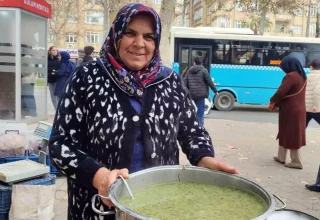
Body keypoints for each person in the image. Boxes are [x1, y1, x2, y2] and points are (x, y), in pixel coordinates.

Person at [48, 3, 239, 219]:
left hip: (160, 207)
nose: (140, 44)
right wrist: (99, 176)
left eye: (148, 37)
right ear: (117, 34)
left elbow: (192, 133)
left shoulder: (170, 81)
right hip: (97, 208)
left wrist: (204, 158)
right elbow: (60, 145)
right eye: (130, 33)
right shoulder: (86, 78)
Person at [269, 56, 307, 169]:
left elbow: (281, 92)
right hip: (297, 109)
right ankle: (281, 157)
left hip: (291, 110)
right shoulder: (301, 76)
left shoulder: (291, 76)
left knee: (291, 134)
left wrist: (272, 101)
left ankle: (296, 161)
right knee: (285, 132)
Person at [184, 56, 218, 125]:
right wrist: (215, 91)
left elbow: (185, 82)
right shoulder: (204, 70)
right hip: (201, 94)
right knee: (200, 112)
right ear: (202, 63)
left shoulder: (189, 71)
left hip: (192, 94)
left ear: (194, 63)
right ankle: (199, 127)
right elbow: (209, 81)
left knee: (193, 110)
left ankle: (193, 125)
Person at [304, 59, 320, 192]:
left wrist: (315, 104)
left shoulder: (308, 76)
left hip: (309, 108)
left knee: (301, 127)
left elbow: (316, 92)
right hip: (316, 108)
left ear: (311, 66)